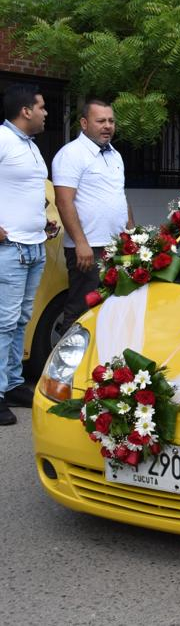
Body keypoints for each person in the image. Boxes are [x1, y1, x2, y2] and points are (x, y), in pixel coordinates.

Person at [53, 99, 134, 334]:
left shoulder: (115, 155)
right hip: (89, 249)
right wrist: (80, 243)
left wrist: (131, 235)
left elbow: (120, 196)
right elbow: (63, 201)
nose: (107, 126)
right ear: (84, 123)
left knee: (113, 310)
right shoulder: (71, 154)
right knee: (81, 310)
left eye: (111, 121)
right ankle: (67, 368)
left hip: (116, 246)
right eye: (101, 121)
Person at [0, 84, 51, 424]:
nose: (46, 113)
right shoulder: (2, 139)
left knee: (21, 320)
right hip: (10, 249)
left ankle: (14, 383)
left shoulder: (30, 146)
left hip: (33, 245)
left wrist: (42, 221)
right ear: (25, 111)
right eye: (42, 107)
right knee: (3, 323)